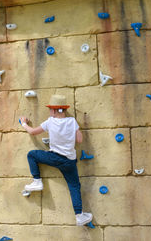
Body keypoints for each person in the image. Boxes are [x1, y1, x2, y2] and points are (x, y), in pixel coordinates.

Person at [19, 94, 93, 226]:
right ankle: (79, 216)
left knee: (32, 155)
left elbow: (33, 132)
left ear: (54, 110)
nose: (49, 111)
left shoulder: (50, 122)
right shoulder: (72, 122)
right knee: (74, 186)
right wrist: (75, 130)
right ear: (63, 109)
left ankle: (37, 181)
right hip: (70, 161)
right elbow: (79, 140)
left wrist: (24, 123)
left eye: (50, 109)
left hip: (54, 157)